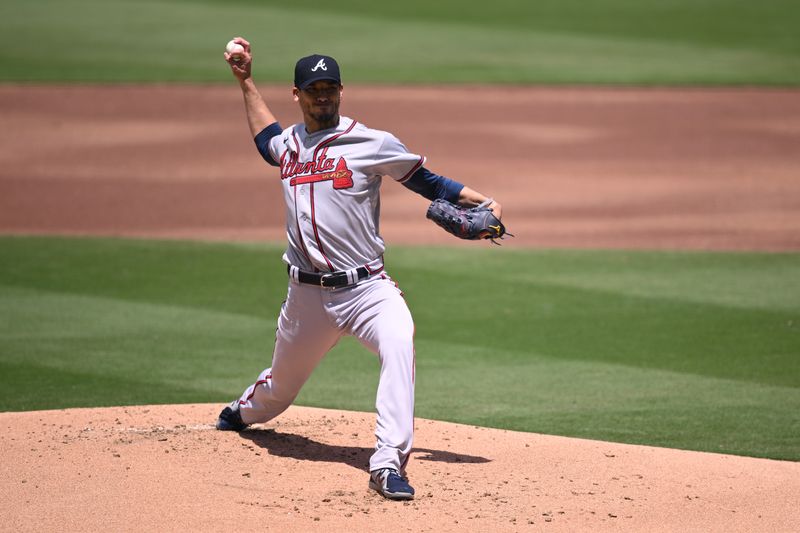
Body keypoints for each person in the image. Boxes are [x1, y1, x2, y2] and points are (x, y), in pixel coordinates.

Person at [216, 37, 504, 501]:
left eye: (330, 87)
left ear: (341, 91)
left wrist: (480, 200)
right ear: (298, 94)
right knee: (279, 391)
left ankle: (387, 462)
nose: (323, 95)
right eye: (314, 89)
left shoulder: (371, 142)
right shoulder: (289, 144)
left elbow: (428, 181)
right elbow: (264, 139)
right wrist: (245, 80)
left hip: (366, 289)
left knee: (398, 339)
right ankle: (243, 411)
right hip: (306, 296)